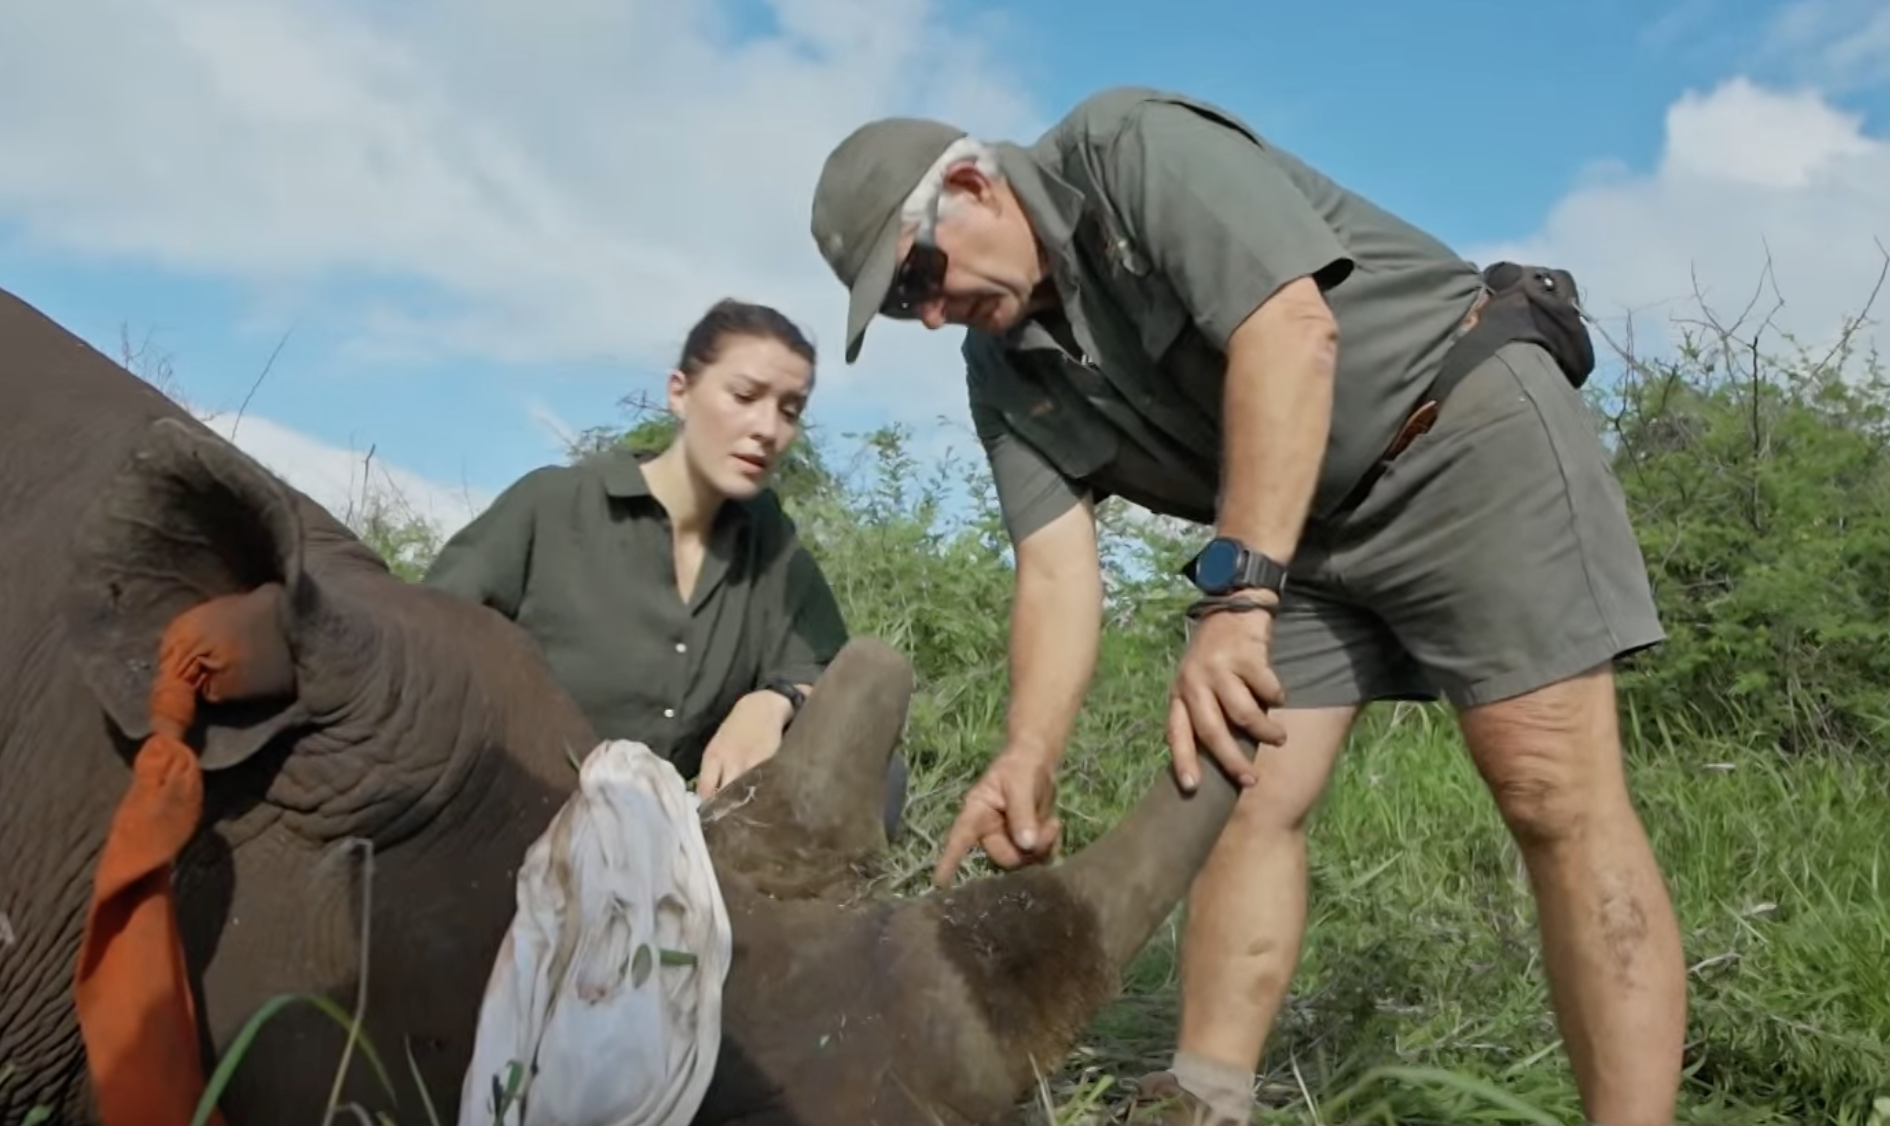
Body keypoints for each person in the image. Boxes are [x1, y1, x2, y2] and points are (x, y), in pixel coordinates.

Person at [803, 87, 1685, 1126]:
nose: (935, 312)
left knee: (1550, 792)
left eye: (918, 276)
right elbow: (1052, 562)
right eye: (906, 306)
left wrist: (1239, 597)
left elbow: (1291, 331)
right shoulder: (1000, 370)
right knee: (1234, 781)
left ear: (969, 185)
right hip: (1296, 518)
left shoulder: (1129, 150)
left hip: (1458, 434)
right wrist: (1027, 754)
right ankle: (1204, 1098)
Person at [422, 297, 908, 834]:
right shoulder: (553, 505)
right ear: (680, 393)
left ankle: (783, 912)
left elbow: (830, 678)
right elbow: (428, 642)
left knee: (875, 767)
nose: (768, 428)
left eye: (790, 410)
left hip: (688, 841)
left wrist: (776, 700)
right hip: (523, 818)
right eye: (745, 396)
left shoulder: (770, 546)